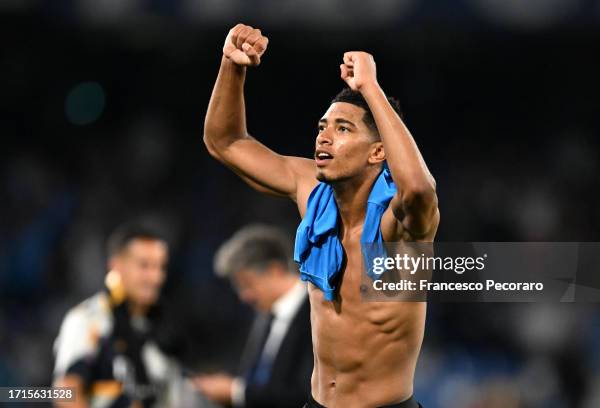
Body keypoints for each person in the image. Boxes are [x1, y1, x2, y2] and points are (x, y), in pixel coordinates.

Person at [203, 24, 439, 408]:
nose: (323, 137)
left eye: (342, 128)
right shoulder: (311, 190)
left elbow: (419, 188)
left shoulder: (398, 225)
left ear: (378, 153)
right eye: (322, 127)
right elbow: (225, 142)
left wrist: (370, 89)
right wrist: (232, 66)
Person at [52, 223, 190, 408]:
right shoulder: (89, 319)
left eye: (160, 267)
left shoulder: (163, 324)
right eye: (144, 266)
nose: (156, 277)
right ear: (116, 265)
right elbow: (65, 392)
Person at [193, 225, 312, 408]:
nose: (244, 296)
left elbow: (304, 392)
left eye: (247, 284)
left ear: (275, 270)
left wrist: (235, 392)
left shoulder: (314, 314)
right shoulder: (263, 317)